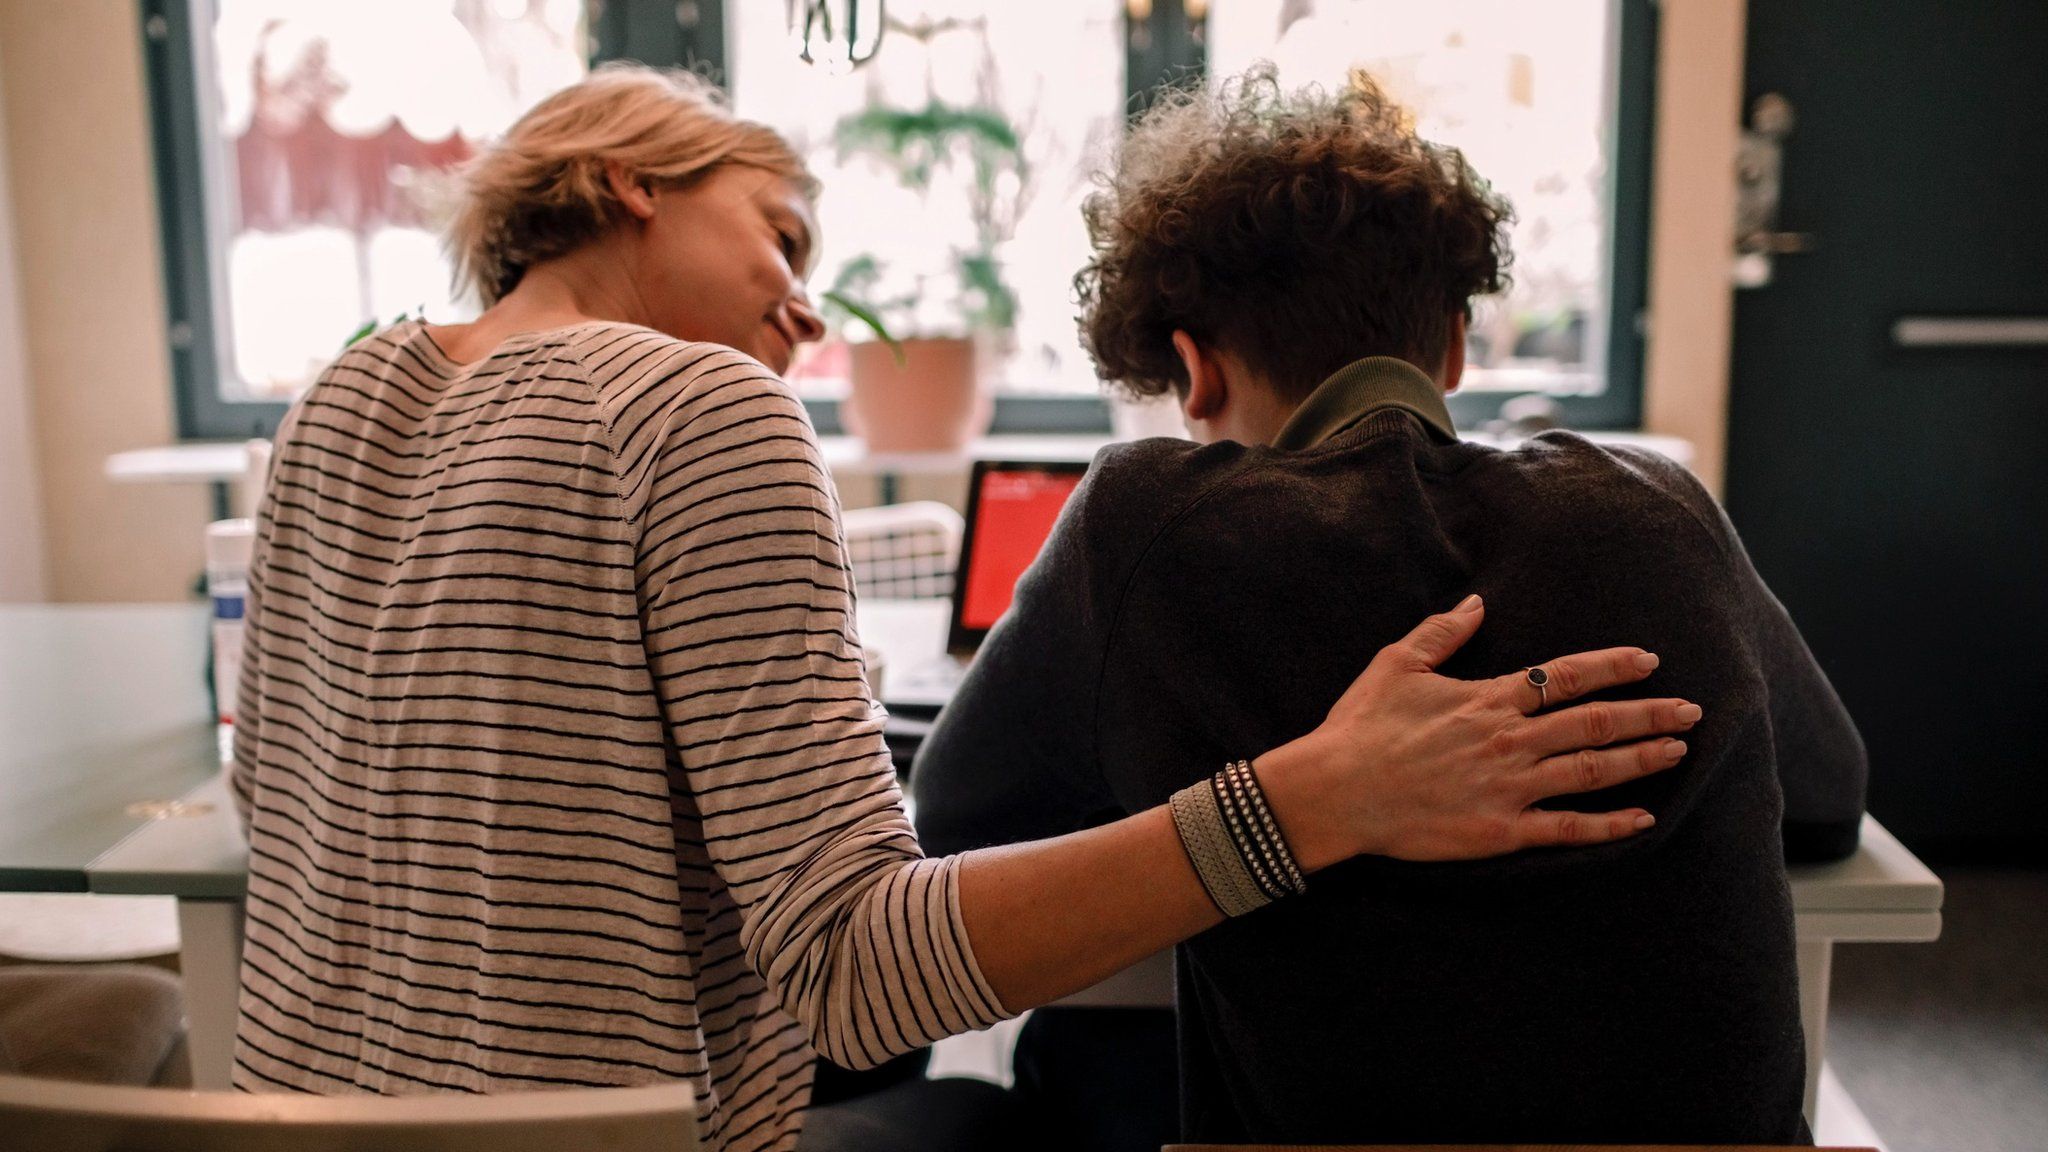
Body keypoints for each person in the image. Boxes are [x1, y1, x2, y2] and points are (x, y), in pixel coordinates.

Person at [227, 65, 1699, 1152]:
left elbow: (278, 799)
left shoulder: (339, 396)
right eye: (783, 238)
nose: (806, 310)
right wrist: (1315, 798)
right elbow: (862, 976)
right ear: (632, 179)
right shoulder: (701, 406)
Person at [911, 66, 1868, 1149]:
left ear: (1191, 371)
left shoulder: (1148, 531)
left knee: (1075, 1064)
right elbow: (1829, 800)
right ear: (1454, 345)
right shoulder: (1654, 508)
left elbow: (955, 822)